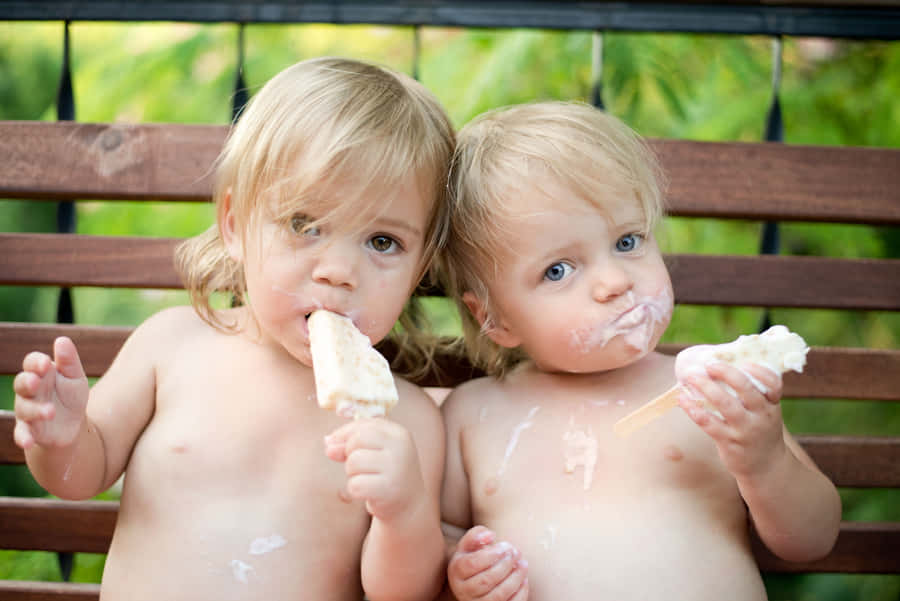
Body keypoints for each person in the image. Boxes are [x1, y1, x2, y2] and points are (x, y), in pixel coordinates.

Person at [12, 56, 455, 601]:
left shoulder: (406, 422)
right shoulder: (172, 347)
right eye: (304, 224)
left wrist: (402, 511)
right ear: (235, 225)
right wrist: (60, 439)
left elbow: (400, 594)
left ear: (422, 265)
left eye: (383, 242)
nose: (340, 271)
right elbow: (79, 475)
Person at [435, 101, 841, 601]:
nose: (614, 281)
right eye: (558, 270)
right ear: (492, 318)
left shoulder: (710, 391)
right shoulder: (472, 416)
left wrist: (764, 460)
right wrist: (460, 568)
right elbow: (441, 537)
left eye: (628, 241)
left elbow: (812, 539)